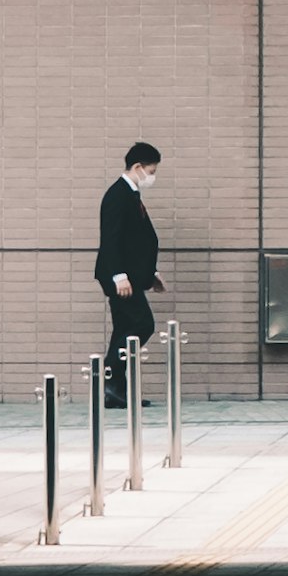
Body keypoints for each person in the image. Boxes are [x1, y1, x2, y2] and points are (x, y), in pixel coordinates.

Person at [97, 139, 163, 405]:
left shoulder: (131, 194)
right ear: (137, 166)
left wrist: (150, 273)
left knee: (124, 327)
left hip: (130, 276)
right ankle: (111, 377)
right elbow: (110, 239)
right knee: (142, 324)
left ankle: (116, 391)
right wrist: (118, 276)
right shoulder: (118, 195)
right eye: (151, 171)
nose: (152, 177)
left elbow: (135, 241)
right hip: (121, 277)